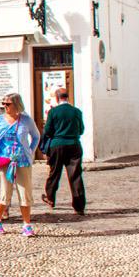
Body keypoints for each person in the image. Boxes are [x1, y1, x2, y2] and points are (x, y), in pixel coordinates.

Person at [0, 92, 42, 237]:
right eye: (3, 104)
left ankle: (27, 225)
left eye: (7, 104)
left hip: (22, 161)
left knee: (25, 193)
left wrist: (30, 151)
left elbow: (36, 136)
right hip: (4, 161)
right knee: (4, 193)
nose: (4, 106)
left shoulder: (26, 120)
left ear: (17, 104)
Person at [41, 87, 86, 215]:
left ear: (57, 97)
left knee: (54, 172)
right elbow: (81, 129)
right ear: (67, 97)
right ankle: (79, 206)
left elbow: (48, 130)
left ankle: (50, 198)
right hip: (74, 144)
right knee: (75, 175)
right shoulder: (76, 111)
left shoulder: (53, 112)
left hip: (57, 145)